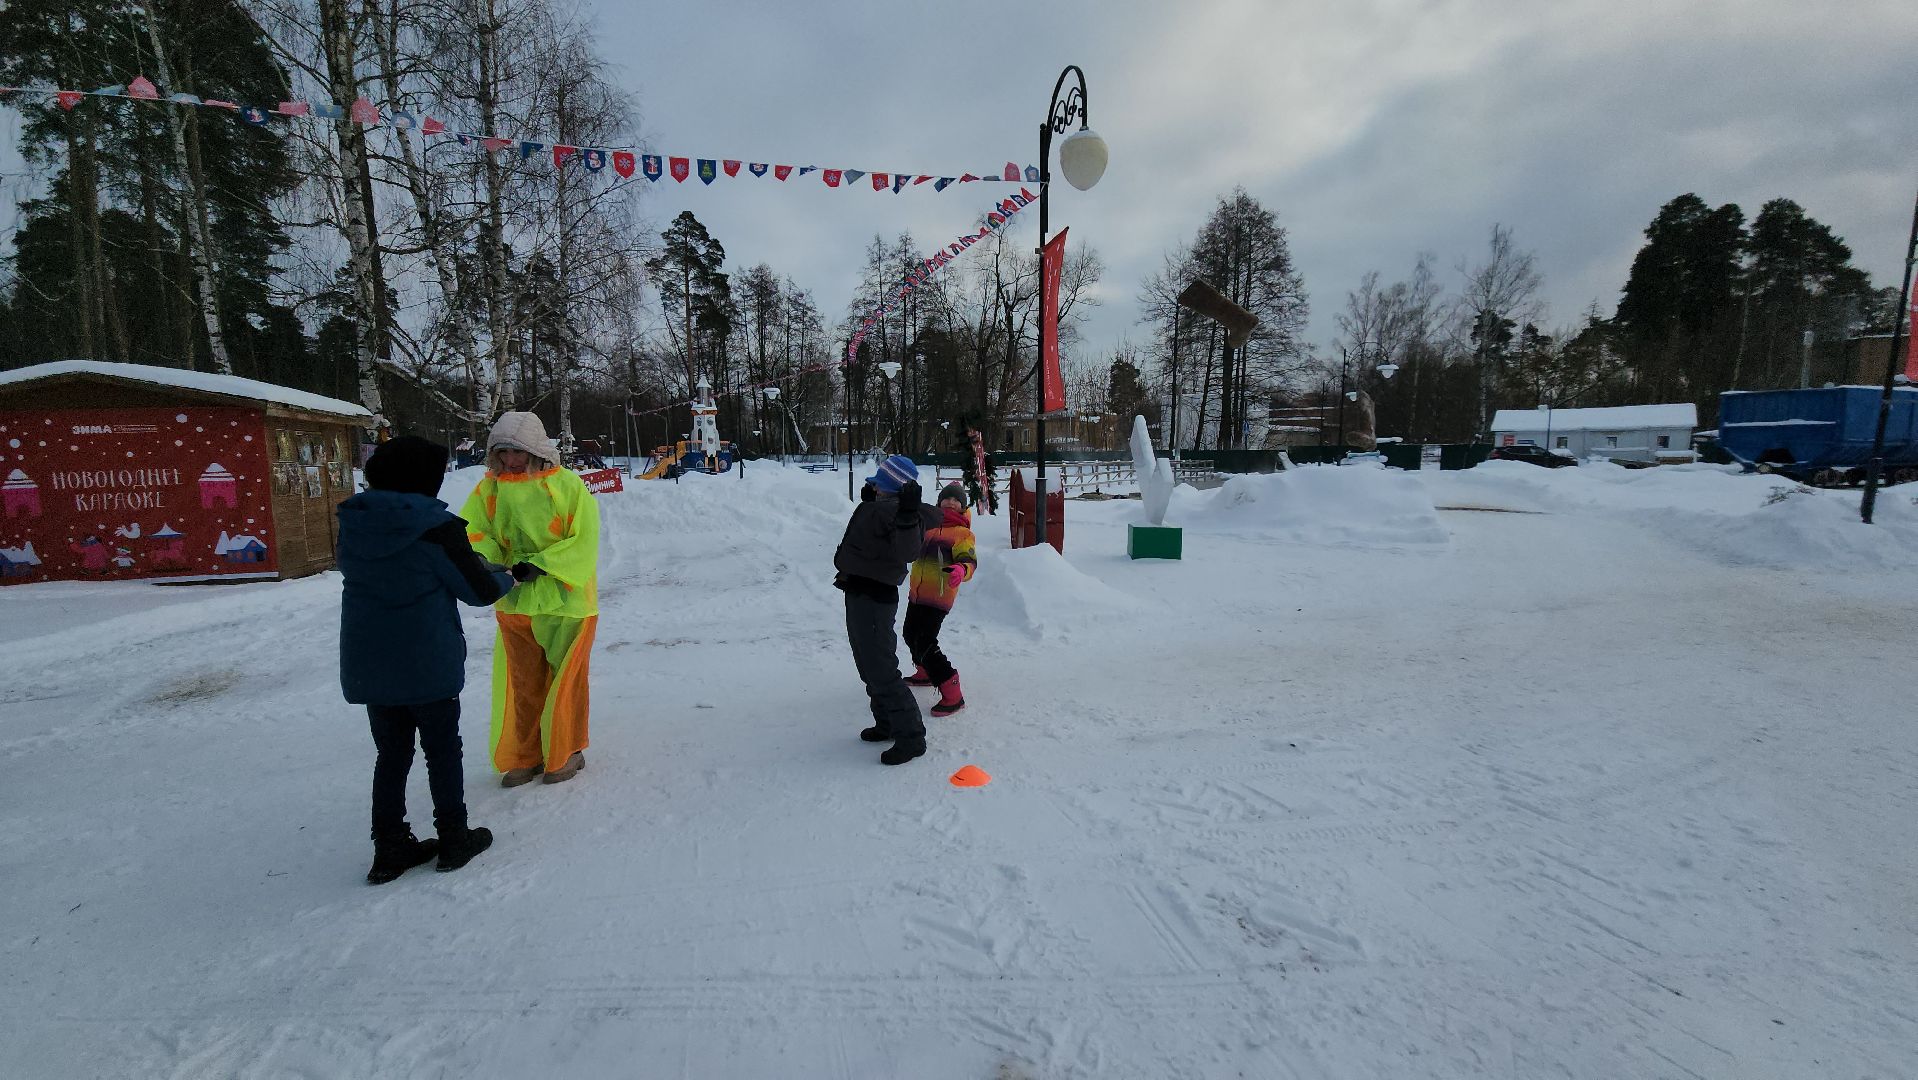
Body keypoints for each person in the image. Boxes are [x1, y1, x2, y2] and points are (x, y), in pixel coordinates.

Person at [337, 435, 511, 884]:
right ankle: (454, 839)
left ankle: (389, 848)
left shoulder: (355, 522)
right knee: (441, 750)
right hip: (426, 660)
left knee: (391, 754)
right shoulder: (437, 527)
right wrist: (510, 576)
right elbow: (479, 591)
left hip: (371, 660)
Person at [459, 412, 602, 787]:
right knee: (523, 684)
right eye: (503, 451)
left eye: (517, 450)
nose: (510, 459)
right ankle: (525, 754)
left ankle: (566, 751)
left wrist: (541, 564)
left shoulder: (567, 486)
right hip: (514, 599)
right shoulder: (488, 489)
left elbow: (584, 538)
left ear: (535, 449)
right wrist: (485, 559)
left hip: (566, 599)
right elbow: (473, 529)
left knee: (566, 681)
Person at [833, 454, 941, 765]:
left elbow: (907, 551)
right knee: (867, 666)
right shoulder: (883, 508)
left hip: (875, 597)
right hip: (858, 590)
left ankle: (911, 738)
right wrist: (870, 506)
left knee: (881, 669)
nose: (876, 491)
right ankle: (888, 723)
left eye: (881, 488)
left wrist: (905, 514)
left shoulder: (902, 515)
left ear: (893, 490)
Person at [903, 482, 976, 717]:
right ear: (939, 502)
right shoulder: (928, 527)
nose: (952, 502)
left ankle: (951, 688)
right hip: (917, 593)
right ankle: (925, 672)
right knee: (908, 633)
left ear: (963, 507)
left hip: (939, 596)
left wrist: (961, 569)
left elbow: (969, 559)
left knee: (924, 640)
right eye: (948, 498)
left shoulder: (963, 534)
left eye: (957, 500)